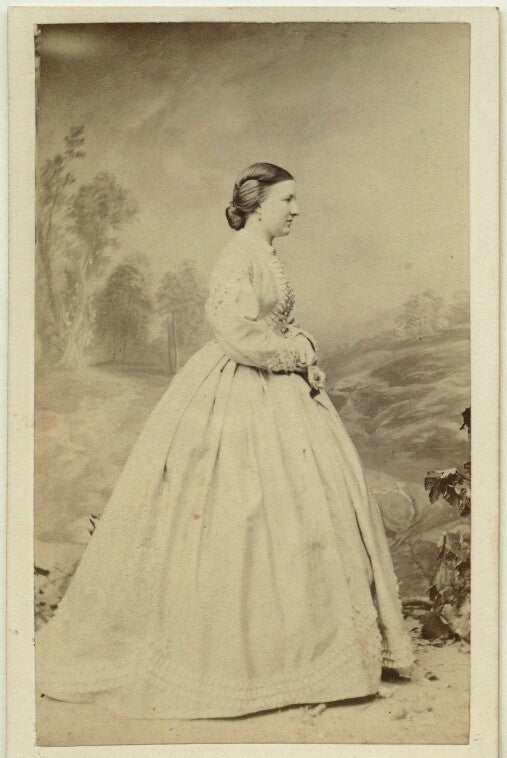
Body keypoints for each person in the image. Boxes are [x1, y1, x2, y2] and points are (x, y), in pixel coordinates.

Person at [36, 162, 414, 721]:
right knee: (241, 513)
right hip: (239, 388)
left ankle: (304, 656)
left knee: (300, 514)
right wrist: (298, 354)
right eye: (287, 200)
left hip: (277, 392)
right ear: (256, 205)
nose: (296, 210)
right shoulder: (238, 255)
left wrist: (301, 348)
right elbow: (237, 335)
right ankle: (247, 663)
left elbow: (273, 324)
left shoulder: (264, 253)